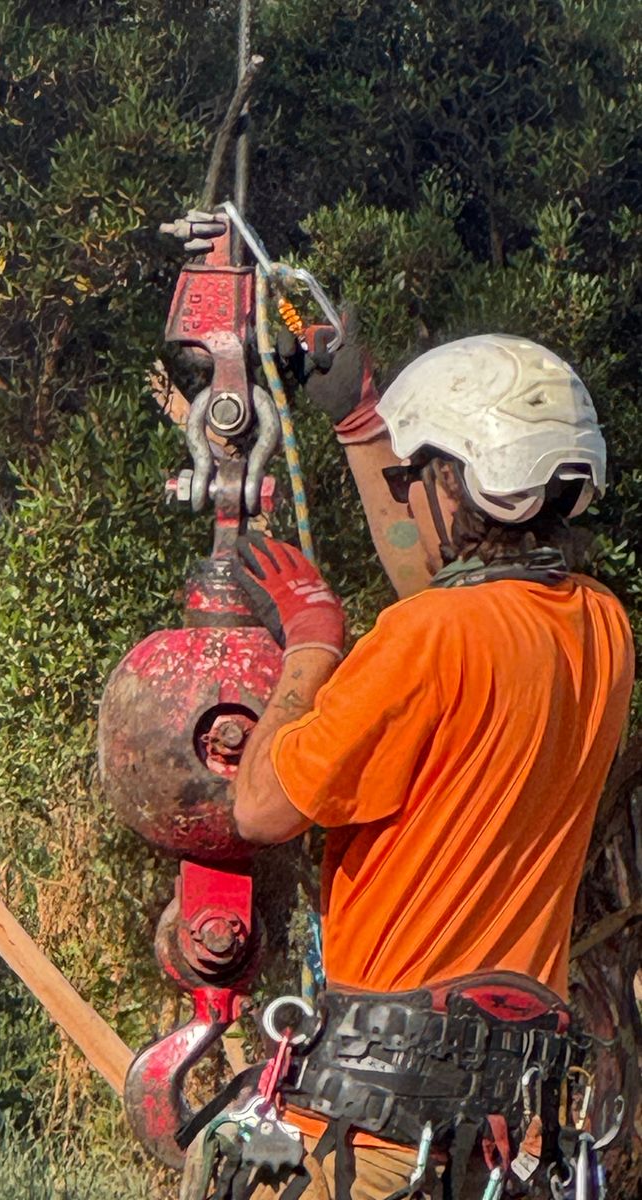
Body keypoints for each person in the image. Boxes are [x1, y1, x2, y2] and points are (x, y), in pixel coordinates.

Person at [228, 333, 636, 1200]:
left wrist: (309, 645)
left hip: (370, 1132)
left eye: (422, 474)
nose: (412, 491)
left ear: (460, 479)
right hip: (503, 1134)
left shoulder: (423, 641)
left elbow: (260, 808)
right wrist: (364, 426)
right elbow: (449, 592)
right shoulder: (603, 628)